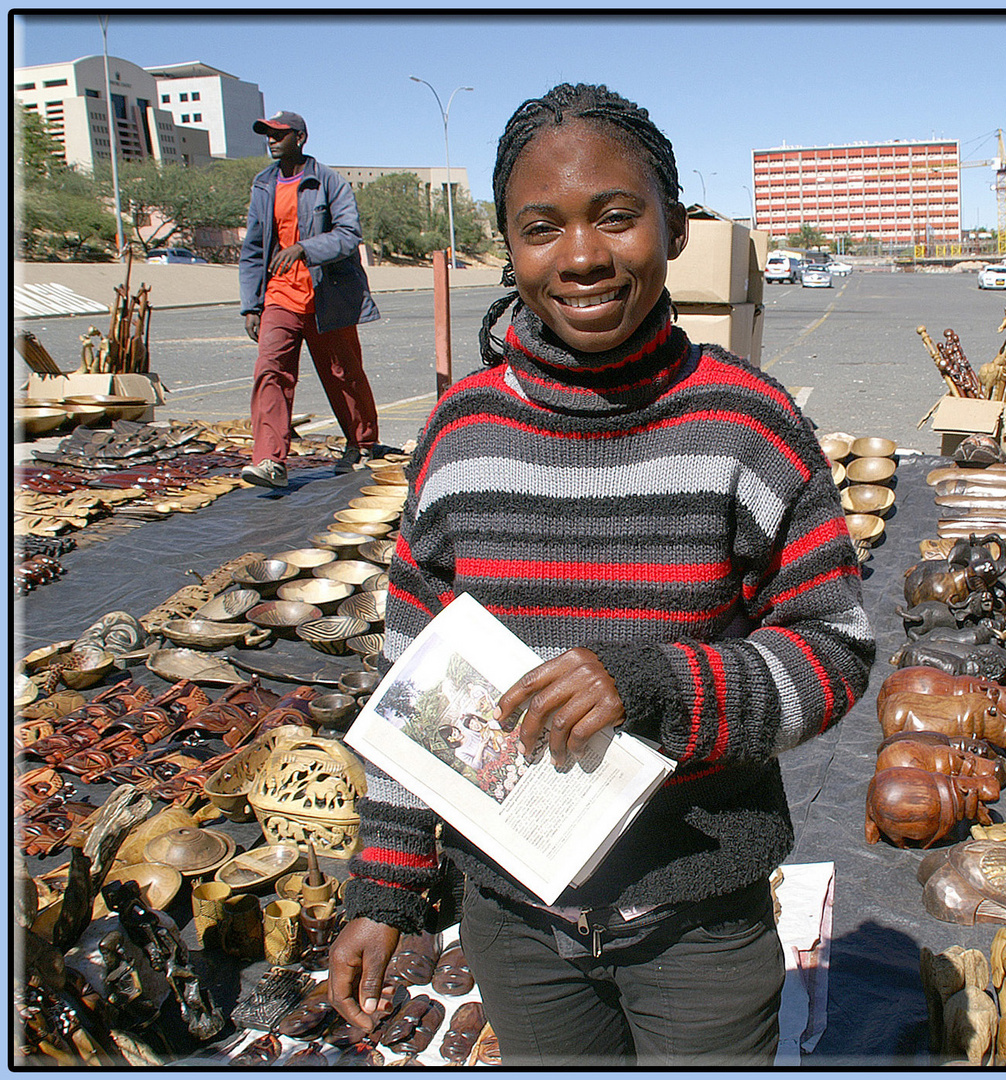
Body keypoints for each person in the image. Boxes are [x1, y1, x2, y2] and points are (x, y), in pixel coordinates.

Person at [329, 83, 874, 1066]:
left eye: (615, 216)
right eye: (542, 227)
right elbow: (415, 678)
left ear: (671, 227)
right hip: (513, 921)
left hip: (698, 919)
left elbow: (833, 651)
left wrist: (659, 685)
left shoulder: (746, 427)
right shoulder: (462, 437)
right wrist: (385, 885)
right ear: (510, 245)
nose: (580, 254)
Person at [238, 110, 382, 489]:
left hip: (326, 297)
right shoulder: (263, 185)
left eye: (279, 134)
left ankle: (362, 444)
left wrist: (305, 248)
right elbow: (253, 248)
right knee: (271, 370)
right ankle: (270, 459)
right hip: (280, 296)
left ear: (300, 138)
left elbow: (349, 234)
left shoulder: (329, 181)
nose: (271, 139)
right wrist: (252, 304)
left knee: (343, 375)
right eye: (267, 133)